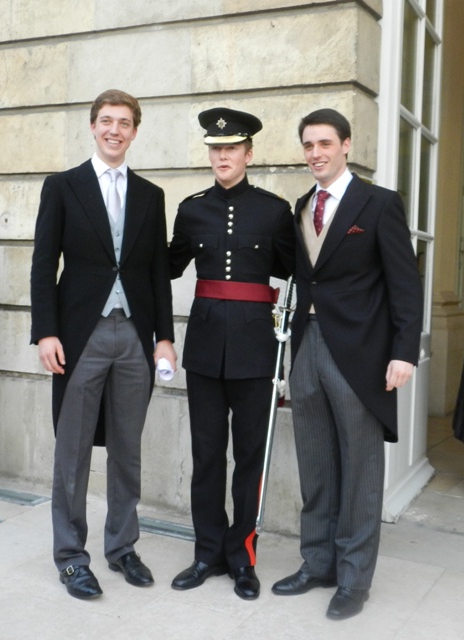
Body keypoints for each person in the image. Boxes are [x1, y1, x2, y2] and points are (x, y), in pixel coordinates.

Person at [271, 108, 423, 620]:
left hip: (360, 354)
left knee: (359, 471)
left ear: (346, 146)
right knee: (315, 465)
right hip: (306, 348)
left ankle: (354, 579)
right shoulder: (301, 205)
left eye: (325, 144)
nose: (316, 153)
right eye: (308, 145)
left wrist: (403, 352)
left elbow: (404, 284)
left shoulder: (378, 203)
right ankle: (317, 564)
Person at [30, 89, 176, 600]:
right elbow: (44, 263)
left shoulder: (151, 195)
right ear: (92, 127)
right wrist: (45, 331)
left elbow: (158, 271)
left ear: (135, 131)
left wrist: (164, 338)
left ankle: (122, 547)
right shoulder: (63, 186)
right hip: (79, 335)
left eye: (125, 123)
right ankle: (71, 557)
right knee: (71, 452)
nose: (115, 130)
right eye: (106, 121)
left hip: (134, 336)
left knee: (127, 450)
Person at [168, 107, 295, 600]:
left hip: (256, 351)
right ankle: (206, 553)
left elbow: (299, 273)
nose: (222, 155)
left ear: (248, 153)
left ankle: (242, 554)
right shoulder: (191, 207)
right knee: (205, 456)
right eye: (215, 149)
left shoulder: (274, 210)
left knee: (249, 458)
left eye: (231, 148)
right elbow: (166, 267)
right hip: (203, 348)